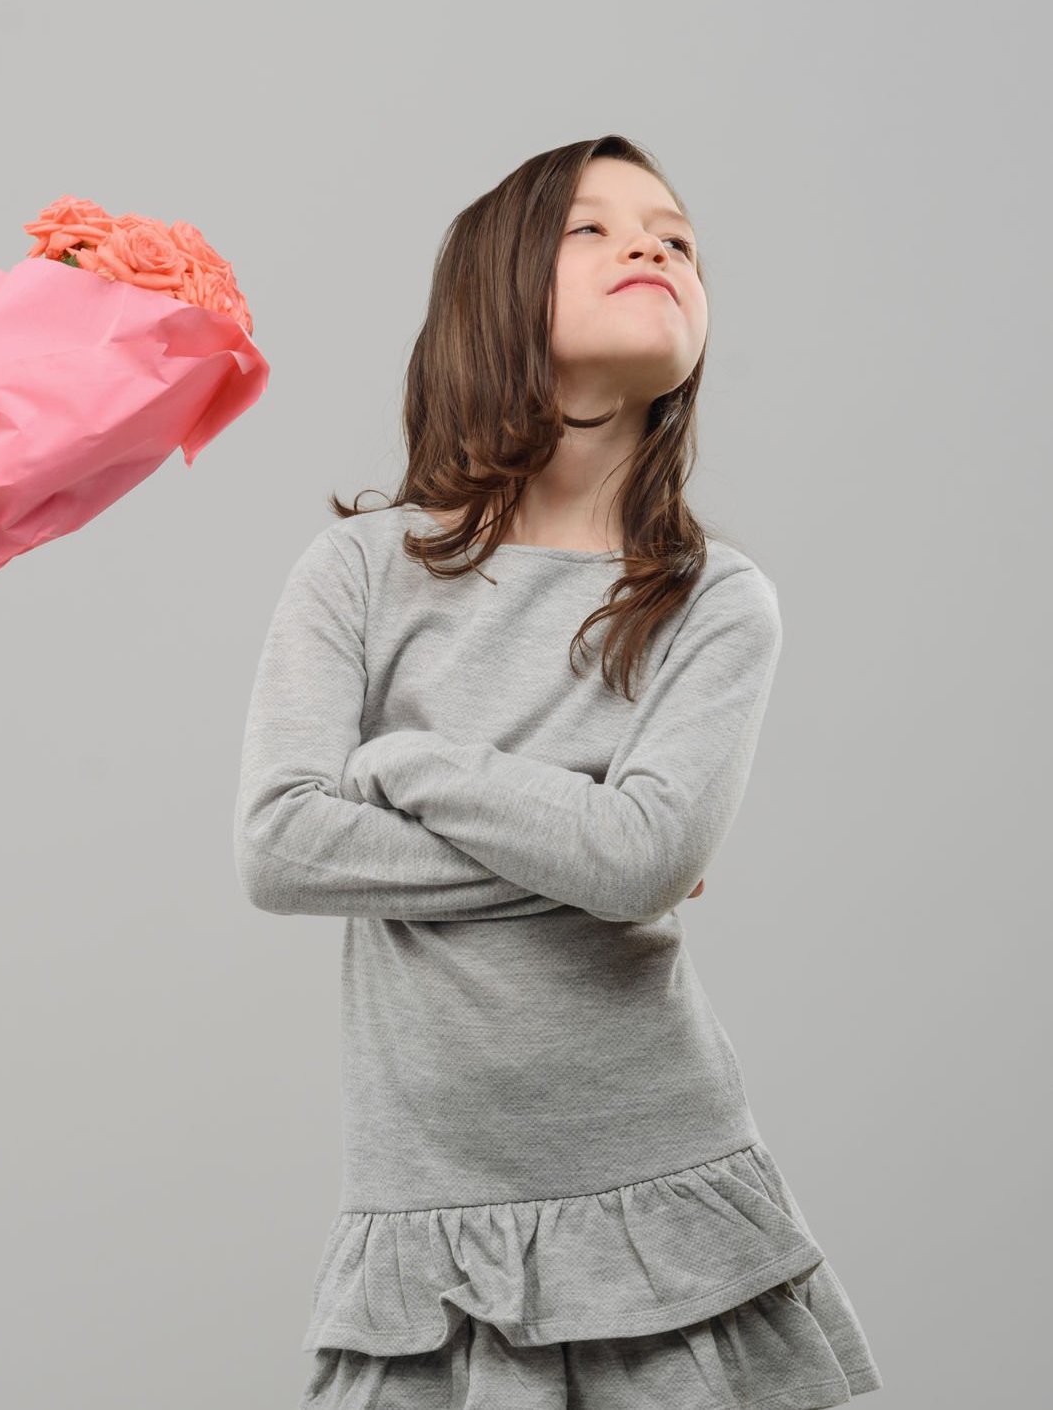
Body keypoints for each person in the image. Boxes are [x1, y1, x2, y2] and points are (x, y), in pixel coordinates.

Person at [233, 137, 882, 1408]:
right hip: (429, 1247)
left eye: (676, 237)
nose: (651, 247)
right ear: (495, 292)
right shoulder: (359, 577)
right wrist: (582, 849)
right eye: (593, 230)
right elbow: (278, 846)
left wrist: (407, 760)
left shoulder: (713, 603)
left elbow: (642, 858)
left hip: (671, 1215)